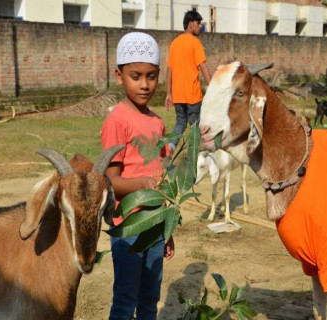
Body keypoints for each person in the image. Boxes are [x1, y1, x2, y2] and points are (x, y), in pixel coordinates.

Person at [101, 31, 175, 320]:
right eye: (136, 76)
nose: (145, 85)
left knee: (150, 299)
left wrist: (167, 231)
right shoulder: (117, 121)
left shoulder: (157, 122)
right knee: (125, 300)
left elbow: (162, 174)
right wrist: (143, 187)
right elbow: (110, 182)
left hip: (155, 227)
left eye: (152, 76)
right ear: (119, 76)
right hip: (129, 228)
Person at [165, 10, 212, 153]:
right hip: (192, 95)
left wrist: (169, 93)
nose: (200, 27)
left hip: (178, 95)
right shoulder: (195, 42)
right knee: (195, 125)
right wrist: (212, 86)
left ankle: (171, 145)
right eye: (198, 24)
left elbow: (169, 70)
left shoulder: (175, 43)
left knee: (180, 122)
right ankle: (193, 155)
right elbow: (202, 66)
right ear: (191, 24)